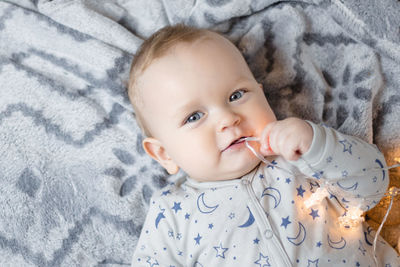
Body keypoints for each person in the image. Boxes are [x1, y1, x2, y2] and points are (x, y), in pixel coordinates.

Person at [128, 24, 400, 266]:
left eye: (236, 95)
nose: (227, 119)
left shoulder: (299, 155)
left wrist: (317, 144)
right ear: (163, 154)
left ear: (261, 93)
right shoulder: (172, 216)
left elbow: (373, 185)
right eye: (194, 117)